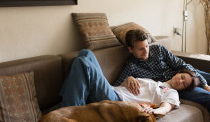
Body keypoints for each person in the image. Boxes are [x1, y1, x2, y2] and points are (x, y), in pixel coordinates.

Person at [60, 49, 199, 116]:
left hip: (116, 100)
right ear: (177, 73)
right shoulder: (155, 81)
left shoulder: (172, 93)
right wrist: (128, 80)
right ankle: (74, 100)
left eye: (184, 84)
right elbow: (122, 85)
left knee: (82, 62)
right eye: (182, 77)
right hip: (113, 89)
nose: (180, 81)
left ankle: (71, 113)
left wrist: (154, 111)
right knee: (86, 53)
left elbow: (166, 108)